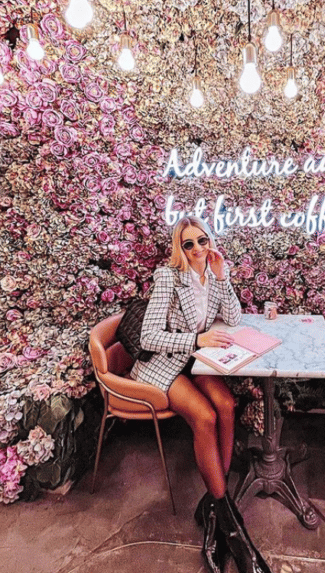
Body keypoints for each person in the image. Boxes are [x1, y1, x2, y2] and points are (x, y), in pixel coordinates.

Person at [132, 216, 271, 573]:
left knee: (226, 404)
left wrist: (223, 277)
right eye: (188, 243)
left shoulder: (210, 275)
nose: (196, 249)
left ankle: (212, 506)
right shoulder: (167, 277)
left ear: (210, 242)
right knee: (205, 416)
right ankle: (232, 529)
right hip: (165, 365)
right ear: (179, 247)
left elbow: (235, 318)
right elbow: (148, 337)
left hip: (196, 363)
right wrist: (197, 339)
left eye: (202, 240)